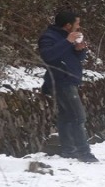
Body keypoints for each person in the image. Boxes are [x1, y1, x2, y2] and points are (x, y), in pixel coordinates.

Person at [38, 10, 98, 163]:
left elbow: (75, 58)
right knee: (79, 117)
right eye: (77, 23)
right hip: (60, 81)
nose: (79, 26)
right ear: (68, 25)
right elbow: (48, 56)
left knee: (66, 117)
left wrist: (80, 50)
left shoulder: (68, 37)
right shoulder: (49, 37)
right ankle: (84, 152)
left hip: (70, 79)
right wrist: (67, 41)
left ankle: (68, 150)